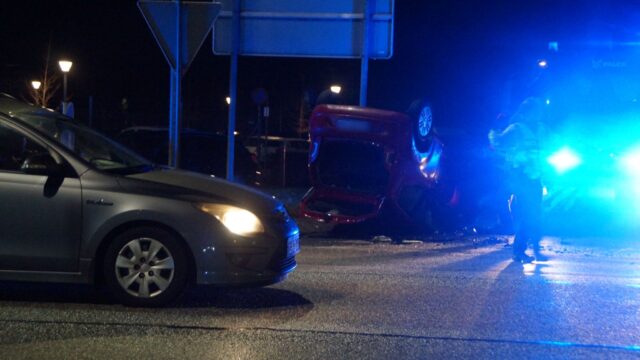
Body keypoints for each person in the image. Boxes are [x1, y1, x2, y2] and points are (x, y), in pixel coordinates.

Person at [488, 97, 549, 263]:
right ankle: (519, 251)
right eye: (535, 111)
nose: (538, 114)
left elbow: (547, 149)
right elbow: (498, 142)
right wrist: (494, 128)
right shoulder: (516, 129)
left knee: (536, 213)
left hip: (536, 177)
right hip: (521, 177)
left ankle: (535, 248)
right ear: (525, 113)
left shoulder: (541, 129)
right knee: (526, 214)